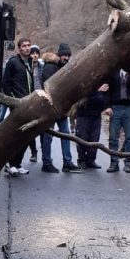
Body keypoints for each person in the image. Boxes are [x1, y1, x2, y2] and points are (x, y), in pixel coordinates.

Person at [40, 43, 80, 173]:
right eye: (64, 55)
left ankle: (67, 162)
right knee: (48, 136)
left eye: (68, 55)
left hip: (62, 108)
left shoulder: (64, 67)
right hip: (50, 108)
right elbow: (48, 86)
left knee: (65, 135)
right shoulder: (50, 67)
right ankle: (47, 162)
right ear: (59, 54)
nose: (66, 58)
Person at [1, 37, 34, 175]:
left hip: (29, 104)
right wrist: (13, 100)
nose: (27, 48)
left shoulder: (30, 62)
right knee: (15, 136)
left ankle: (18, 163)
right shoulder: (13, 63)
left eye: (28, 45)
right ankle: (10, 164)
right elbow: (5, 84)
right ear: (19, 48)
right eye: (24, 46)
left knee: (25, 136)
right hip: (17, 105)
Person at [106, 65, 130, 173]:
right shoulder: (112, 71)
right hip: (115, 107)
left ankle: (128, 163)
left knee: (129, 137)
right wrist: (108, 106)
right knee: (113, 137)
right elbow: (108, 89)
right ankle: (114, 163)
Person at [75, 83, 110, 168]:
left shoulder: (104, 79)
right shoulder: (86, 79)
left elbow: (107, 94)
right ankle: (81, 160)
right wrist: (97, 90)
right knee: (82, 137)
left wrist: (107, 106)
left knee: (95, 138)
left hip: (96, 114)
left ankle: (91, 160)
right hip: (83, 114)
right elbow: (81, 92)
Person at [28, 45, 43, 162]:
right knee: (30, 129)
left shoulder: (43, 66)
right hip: (30, 99)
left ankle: (44, 152)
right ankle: (33, 151)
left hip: (41, 98)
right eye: (33, 53)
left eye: (36, 53)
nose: (35, 55)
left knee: (43, 127)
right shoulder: (27, 66)